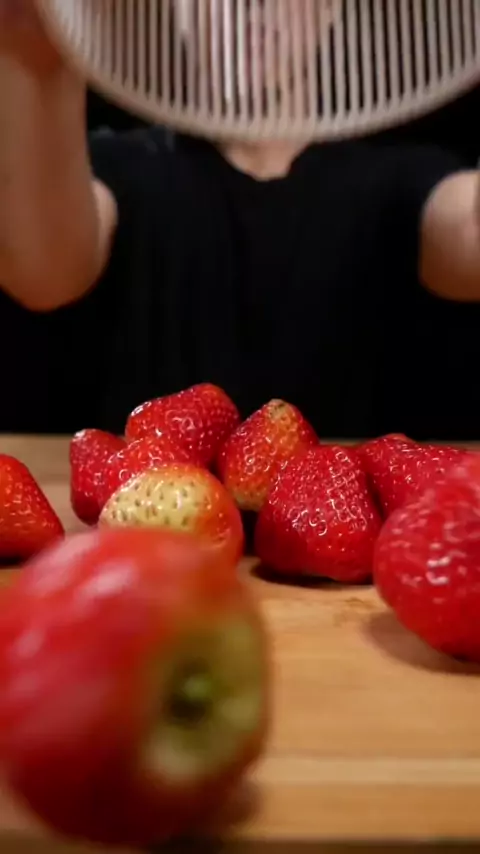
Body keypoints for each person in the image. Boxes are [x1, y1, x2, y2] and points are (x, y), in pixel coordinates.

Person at [0, 1, 479, 440]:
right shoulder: (118, 170)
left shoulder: (399, 181)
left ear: (330, 10)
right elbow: (42, 271)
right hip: (143, 507)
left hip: (350, 509)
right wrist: (33, 53)